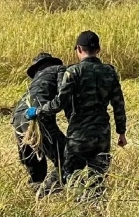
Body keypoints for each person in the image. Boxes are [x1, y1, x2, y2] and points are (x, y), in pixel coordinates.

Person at [29, 31, 127, 197]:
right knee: (96, 179)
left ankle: (41, 199)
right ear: (99, 49)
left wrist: (38, 110)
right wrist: (121, 132)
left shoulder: (73, 72)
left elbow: (59, 103)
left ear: (79, 49)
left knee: (67, 175)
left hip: (79, 136)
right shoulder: (110, 72)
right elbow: (118, 104)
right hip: (102, 135)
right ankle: (95, 211)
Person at [12, 52, 68, 191]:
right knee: (68, 158)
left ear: (37, 68)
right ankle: (48, 191)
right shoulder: (58, 69)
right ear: (52, 63)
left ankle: (36, 197)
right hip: (36, 117)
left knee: (35, 169)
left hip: (18, 119)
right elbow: (64, 93)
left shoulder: (35, 81)